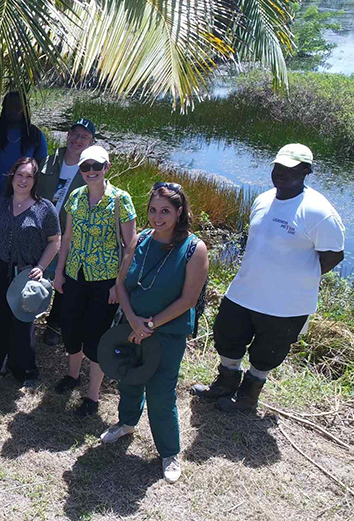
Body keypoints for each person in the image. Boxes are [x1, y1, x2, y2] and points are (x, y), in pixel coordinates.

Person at [192, 144, 345, 411]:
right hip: (244, 291)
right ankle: (226, 383)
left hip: (285, 304)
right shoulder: (263, 199)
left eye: (290, 168)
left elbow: (333, 255)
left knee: (268, 352)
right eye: (278, 166)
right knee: (226, 336)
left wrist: (299, 277)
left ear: (306, 170)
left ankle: (248, 397)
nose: (281, 173)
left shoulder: (320, 212)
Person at [102, 182, 209, 484]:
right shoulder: (141, 239)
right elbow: (121, 284)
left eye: (165, 211)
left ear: (179, 212)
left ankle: (169, 452)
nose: (157, 217)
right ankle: (126, 423)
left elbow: (188, 300)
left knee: (161, 392)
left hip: (167, 333)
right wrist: (134, 321)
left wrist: (149, 325)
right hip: (131, 325)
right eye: (152, 210)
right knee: (129, 377)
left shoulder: (194, 249)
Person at [53, 145, 137, 417]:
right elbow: (67, 238)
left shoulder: (120, 200)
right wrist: (59, 271)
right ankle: (73, 375)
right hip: (75, 274)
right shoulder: (75, 197)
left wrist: (118, 284)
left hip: (105, 281)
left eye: (96, 167)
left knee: (96, 338)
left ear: (106, 168)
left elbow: (130, 245)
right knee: (70, 328)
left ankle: (92, 395)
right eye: (85, 167)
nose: (91, 172)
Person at [0, 157, 61, 386]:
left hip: (26, 272)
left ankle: (24, 369)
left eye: (29, 176)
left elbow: (54, 241)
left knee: (22, 323)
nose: (23, 180)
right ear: (12, 177)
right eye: (20, 175)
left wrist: (41, 267)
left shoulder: (45, 208)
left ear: (35, 180)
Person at [36, 118, 96, 346]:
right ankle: (26, 316)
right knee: (36, 272)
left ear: (91, 142)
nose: (77, 139)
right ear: (68, 134)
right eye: (74, 133)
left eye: (84, 137)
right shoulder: (49, 161)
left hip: (71, 236)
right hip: (41, 230)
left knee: (64, 282)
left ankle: (54, 325)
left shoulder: (91, 168)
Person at [0, 91, 48, 222]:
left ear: (25, 109)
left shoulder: (35, 135)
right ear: (4, 108)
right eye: (9, 107)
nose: (13, 110)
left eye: (18, 107)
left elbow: (41, 166)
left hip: (23, 199)